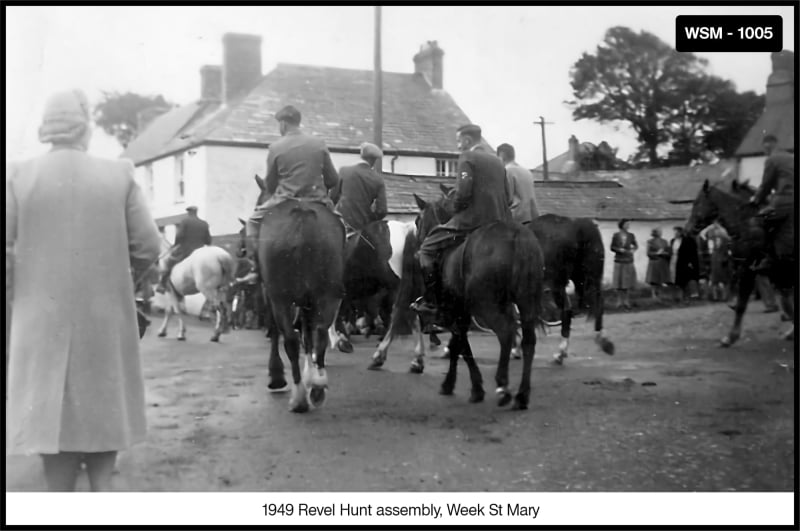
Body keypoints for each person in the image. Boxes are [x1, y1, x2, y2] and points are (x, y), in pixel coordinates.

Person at [6, 89, 162, 491]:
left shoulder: (17, 176)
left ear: (47, 128)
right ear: (85, 128)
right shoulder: (119, 174)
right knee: (102, 420)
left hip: (39, 321)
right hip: (103, 317)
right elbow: (148, 246)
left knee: (52, 435)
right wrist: (120, 278)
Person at [411, 124, 511, 321]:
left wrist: (455, 207)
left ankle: (431, 301)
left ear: (466, 140)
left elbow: (464, 192)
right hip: (500, 222)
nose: (458, 146)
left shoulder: (467, 157)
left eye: (458, 141)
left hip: (473, 221)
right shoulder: (498, 162)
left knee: (427, 249)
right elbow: (507, 196)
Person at [245, 105, 340, 259]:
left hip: (284, 199)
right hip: (318, 199)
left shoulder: (275, 147)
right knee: (341, 225)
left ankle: (254, 269)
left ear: (283, 124)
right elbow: (333, 179)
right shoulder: (319, 143)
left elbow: (270, 185)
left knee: (252, 223)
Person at [750, 134, 794, 274]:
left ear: (767, 145)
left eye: (764, 148)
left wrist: (755, 200)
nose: (764, 151)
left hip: (784, 202)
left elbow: (765, 185)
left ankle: (768, 258)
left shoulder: (772, 159)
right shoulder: (792, 157)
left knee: (757, 222)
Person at [330, 142, 387, 235]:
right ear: (374, 160)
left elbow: (332, 197)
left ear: (361, 156)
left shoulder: (344, 171)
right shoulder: (378, 179)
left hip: (340, 224)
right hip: (363, 227)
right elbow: (382, 210)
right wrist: (369, 217)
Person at [156, 205, 211, 293]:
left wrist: (176, 245)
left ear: (188, 212)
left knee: (169, 262)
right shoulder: (204, 223)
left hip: (187, 250)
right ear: (196, 212)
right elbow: (208, 241)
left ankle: (162, 284)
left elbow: (179, 236)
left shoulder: (185, 222)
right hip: (201, 251)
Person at [496, 142, 540, 224]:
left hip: (516, 218)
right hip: (531, 217)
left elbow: (507, 198)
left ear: (502, 156)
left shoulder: (507, 171)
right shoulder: (527, 172)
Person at [610, 219, 638, 309]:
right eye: (626, 224)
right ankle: (619, 301)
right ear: (622, 225)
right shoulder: (616, 235)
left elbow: (636, 245)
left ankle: (626, 301)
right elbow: (612, 247)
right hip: (619, 260)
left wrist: (632, 250)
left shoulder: (631, 235)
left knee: (626, 282)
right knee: (619, 282)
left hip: (628, 260)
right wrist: (619, 249)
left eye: (629, 224)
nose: (628, 226)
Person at [670, 226, 699, 304]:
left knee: (683, 280)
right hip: (673, 261)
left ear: (680, 233)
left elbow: (690, 252)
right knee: (674, 280)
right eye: (674, 232)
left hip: (683, 262)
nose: (675, 234)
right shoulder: (672, 241)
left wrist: (690, 262)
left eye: (676, 232)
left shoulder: (686, 241)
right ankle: (677, 297)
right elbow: (671, 251)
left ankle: (685, 297)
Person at [645, 227, 671, 302]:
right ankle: (653, 294)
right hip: (654, 262)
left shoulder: (665, 241)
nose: (660, 233)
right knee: (653, 280)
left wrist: (665, 253)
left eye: (660, 231)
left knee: (661, 279)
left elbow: (669, 252)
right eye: (659, 231)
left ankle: (660, 294)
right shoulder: (650, 241)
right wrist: (656, 253)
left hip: (663, 262)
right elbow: (648, 253)